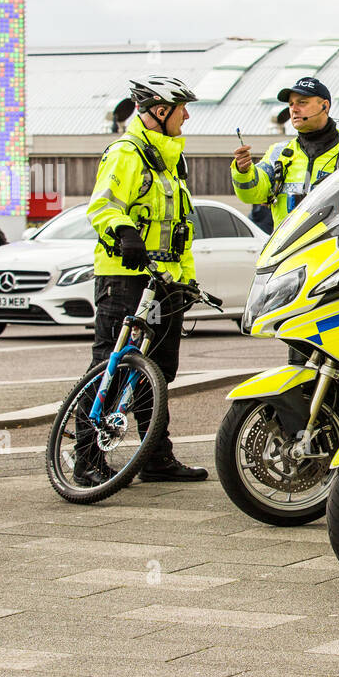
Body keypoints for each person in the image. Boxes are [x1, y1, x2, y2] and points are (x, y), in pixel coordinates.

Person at [81, 75, 208, 486]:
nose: (186, 116)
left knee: (157, 370)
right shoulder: (127, 152)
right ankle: (86, 459)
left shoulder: (171, 160)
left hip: (164, 281)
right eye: (181, 108)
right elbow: (102, 206)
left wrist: (185, 283)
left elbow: (179, 231)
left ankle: (154, 457)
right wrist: (123, 231)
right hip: (124, 278)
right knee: (111, 367)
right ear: (159, 111)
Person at [231, 76, 339, 231]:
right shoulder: (278, 153)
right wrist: (243, 171)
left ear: (325, 106)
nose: (294, 109)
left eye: (302, 102)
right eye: (291, 104)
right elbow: (252, 195)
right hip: (288, 250)